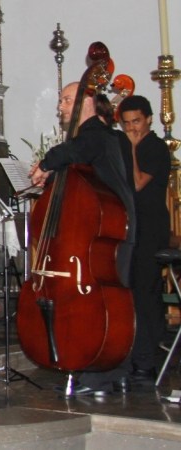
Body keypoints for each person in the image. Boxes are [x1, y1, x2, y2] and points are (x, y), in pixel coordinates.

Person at [29, 81, 136, 395]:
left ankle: (99, 374)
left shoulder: (96, 135)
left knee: (106, 305)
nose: (60, 106)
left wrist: (47, 162)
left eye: (65, 100)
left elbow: (74, 150)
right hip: (111, 234)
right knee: (112, 303)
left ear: (86, 102)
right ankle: (115, 370)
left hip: (110, 231)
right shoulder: (95, 139)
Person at [119, 95, 171, 385]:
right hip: (132, 229)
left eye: (136, 122)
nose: (131, 129)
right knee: (134, 292)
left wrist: (134, 148)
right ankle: (137, 356)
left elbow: (138, 183)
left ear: (149, 119)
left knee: (145, 292)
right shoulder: (129, 147)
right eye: (126, 124)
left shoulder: (154, 147)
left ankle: (147, 362)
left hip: (151, 228)